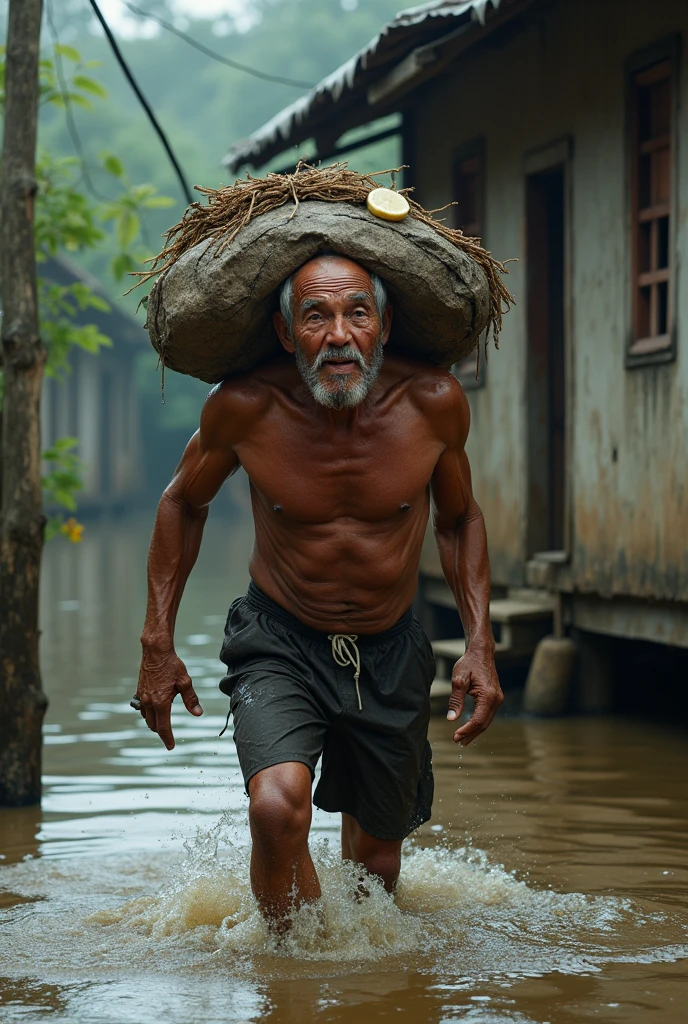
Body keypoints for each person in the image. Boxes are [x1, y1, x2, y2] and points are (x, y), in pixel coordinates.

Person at [135, 253, 503, 928]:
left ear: (383, 325)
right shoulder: (245, 408)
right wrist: (157, 640)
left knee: (377, 874)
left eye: (356, 313)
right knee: (276, 810)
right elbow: (181, 502)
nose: (339, 335)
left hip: (388, 649)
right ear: (286, 335)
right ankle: (287, 976)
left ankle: (351, 972)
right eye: (317, 316)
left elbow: (458, 519)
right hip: (279, 639)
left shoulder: (432, 404)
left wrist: (479, 642)